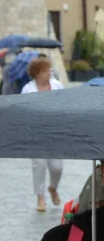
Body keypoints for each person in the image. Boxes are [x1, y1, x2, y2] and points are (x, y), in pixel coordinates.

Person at [21, 57, 65, 213]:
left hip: (55, 132)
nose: (48, 73)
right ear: (36, 73)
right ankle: (40, 196)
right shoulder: (28, 89)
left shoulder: (58, 86)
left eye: (49, 70)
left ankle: (53, 188)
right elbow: (23, 111)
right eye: (45, 71)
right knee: (39, 166)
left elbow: (66, 106)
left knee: (57, 167)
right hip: (36, 133)